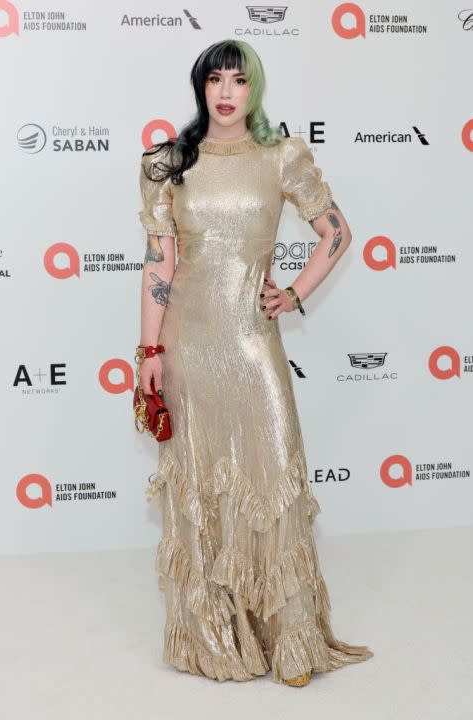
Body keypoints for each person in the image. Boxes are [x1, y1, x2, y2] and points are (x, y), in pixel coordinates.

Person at [136, 39, 374, 687]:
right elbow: (160, 266)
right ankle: (212, 633)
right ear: (199, 87)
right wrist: (149, 352)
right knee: (197, 484)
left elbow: (336, 232)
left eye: (238, 80)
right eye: (213, 78)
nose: (225, 91)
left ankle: (289, 636)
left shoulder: (280, 157)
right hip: (187, 348)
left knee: (268, 479)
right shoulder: (167, 164)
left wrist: (294, 292)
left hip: (251, 342)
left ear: (254, 90)